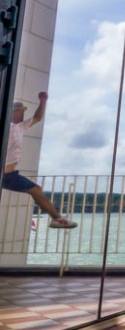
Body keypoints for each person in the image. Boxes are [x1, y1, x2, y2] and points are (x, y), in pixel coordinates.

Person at [3, 93, 77, 229]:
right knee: (36, 190)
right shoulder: (5, 126)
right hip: (4, 174)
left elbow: (38, 117)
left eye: (23, 112)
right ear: (12, 112)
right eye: (20, 111)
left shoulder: (21, 126)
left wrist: (43, 101)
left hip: (9, 175)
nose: (22, 114)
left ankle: (57, 219)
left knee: (36, 190)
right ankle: (57, 218)